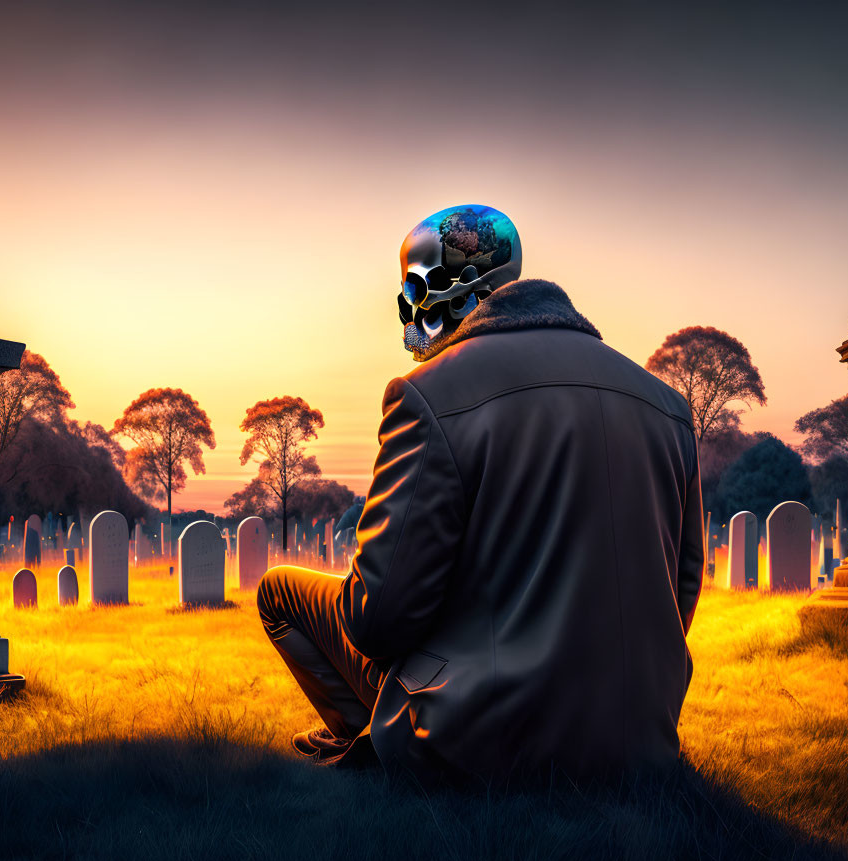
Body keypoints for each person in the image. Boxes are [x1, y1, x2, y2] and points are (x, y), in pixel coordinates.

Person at [257, 204, 703, 787]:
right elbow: (683, 585)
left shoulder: (425, 393)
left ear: (460, 293)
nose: (408, 315)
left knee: (277, 592)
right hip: (639, 740)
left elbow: (379, 620)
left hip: (481, 741)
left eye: (415, 292)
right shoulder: (668, 405)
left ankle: (369, 746)